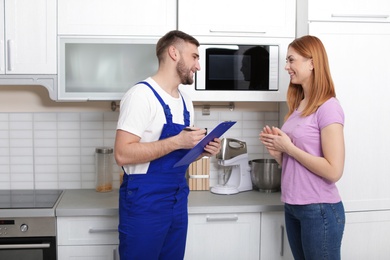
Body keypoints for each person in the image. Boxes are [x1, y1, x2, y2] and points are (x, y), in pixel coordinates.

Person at [114, 30, 221, 260]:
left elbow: (179, 155)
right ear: (174, 53)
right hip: (145, 201)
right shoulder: (140, 96)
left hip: (178, 197)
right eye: (194, 57)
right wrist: (176, 141)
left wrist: (202, 151)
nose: (198, 65)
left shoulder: (185, 101)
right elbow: (122, 153)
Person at [259, 35, 345, 259]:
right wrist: (279, 154)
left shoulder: (329, 108)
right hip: (293, 206)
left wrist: (289, 149)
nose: (287, 67)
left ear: (312, 63)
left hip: (320, 209)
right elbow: (297, 163)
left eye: (291, 60)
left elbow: (334, 171)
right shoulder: (299, 105)